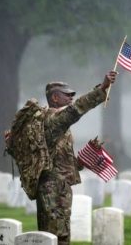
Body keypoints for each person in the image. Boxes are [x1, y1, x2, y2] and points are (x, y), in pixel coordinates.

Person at [36, 70, 118, 244]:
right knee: (53, 236)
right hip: (51, 190)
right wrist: (102, 88)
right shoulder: (52, 120)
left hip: (61, 188)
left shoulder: (61, 126)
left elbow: (62, 162)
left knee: (63, 235)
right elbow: (76, 109)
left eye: (72, 95)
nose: (71, 97)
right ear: (55, 98)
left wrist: (82, 160)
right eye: (67, 95)